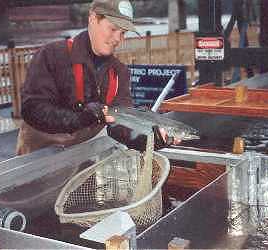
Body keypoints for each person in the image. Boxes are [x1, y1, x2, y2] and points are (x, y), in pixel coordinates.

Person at [16, 0, 174, 155]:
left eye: (123, 33)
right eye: (113, 29)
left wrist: (149, 140)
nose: (117, 39)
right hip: (37, 159)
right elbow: (32, 109)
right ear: (92, 19)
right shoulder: (51, 55)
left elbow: (121, 125)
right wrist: (82, 117)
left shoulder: (119, 73)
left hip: (81, 159)